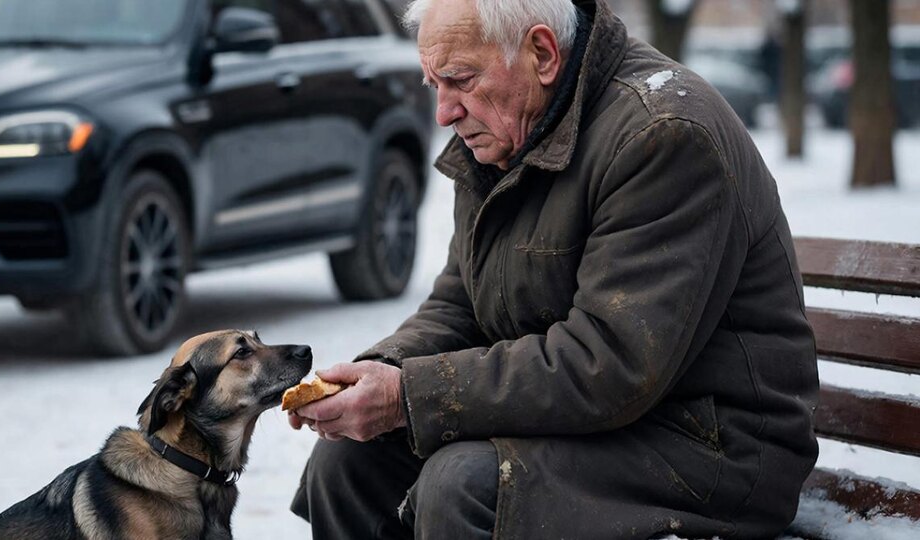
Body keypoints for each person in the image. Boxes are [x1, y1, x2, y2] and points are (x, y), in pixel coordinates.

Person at [288, 0, 820, 538]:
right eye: (435, 85)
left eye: (461, 80)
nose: (443, 113)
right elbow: (460, 304)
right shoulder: (503, 132)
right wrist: (381, 372)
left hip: (709, 447)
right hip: (592, 421)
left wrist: (408, 396)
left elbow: (610, 363)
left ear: (542, 54)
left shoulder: (662, 134)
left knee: (464, 486)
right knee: (347, 463)